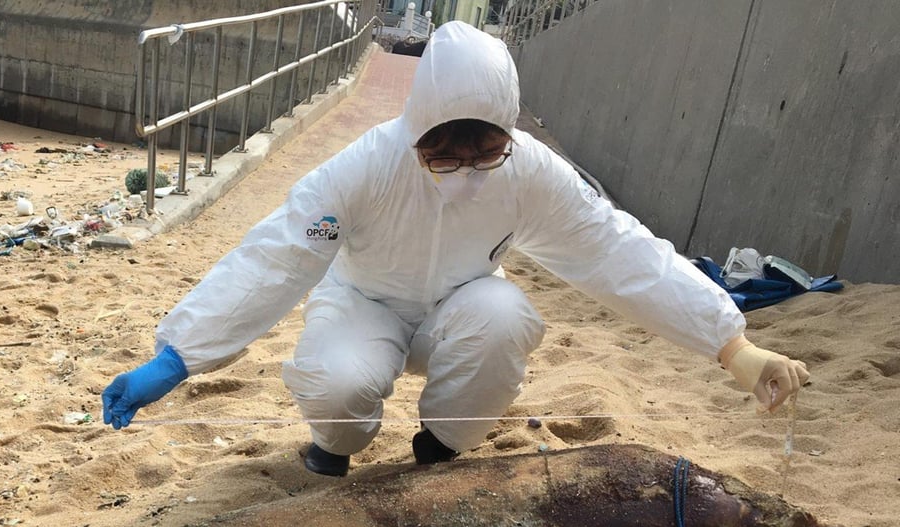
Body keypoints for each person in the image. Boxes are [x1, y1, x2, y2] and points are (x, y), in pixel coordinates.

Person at [101, 21, 809, 477]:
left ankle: (436, 449)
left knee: (506, 316)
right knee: (339, 385)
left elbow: (615, 248)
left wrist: (733, 346)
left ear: (508, 131)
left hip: (458, 310)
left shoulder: (529, 171)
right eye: (447, 151)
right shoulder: (362, 168)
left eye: (486, 149)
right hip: (365, 303)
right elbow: (280, 253)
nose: (469, 166)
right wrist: (179, 354)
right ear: (419, 130)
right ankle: (334, 447)